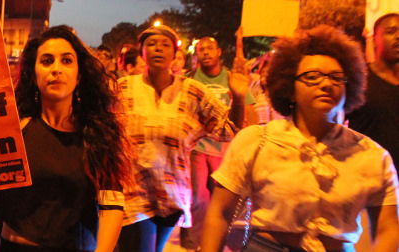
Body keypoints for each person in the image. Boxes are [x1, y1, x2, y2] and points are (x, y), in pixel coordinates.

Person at [201, 25, 399, 252]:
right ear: (289, 87)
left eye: (336, 78)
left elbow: (389, 229)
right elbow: (220, 212)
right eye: (312, 76)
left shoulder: (372, 155)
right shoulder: (256, 141)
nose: (326, 84)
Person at [0, 25, 134, 252]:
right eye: (47, 61)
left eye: (66, 61)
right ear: (32, 72)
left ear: (79, 75)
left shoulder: (98, 134)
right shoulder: (14, 127)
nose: (56, 69)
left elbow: (112, 204)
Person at [116, 24, 248, 252]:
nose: (158, 49)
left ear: (175, 54)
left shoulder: (192, 91)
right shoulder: (122, 88)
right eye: (151, 44)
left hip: (172, 195)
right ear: (142, 51)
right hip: (132, 194)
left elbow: (230, 129)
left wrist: (238, 98)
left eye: (165, 45)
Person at [179, 35, 257, 252]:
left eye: (210, 48)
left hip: (226, 150)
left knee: (222, 201)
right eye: (201, 49)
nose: (205, 52)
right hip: (198, 149)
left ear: (219, 52)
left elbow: (249, 108)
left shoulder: (232, 79)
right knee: (197, 198)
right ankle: (197, 244)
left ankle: (218, 242)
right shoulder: (190, 79)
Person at [348, 13, 399, 170]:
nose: (398, 36)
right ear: (375, 39)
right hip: (368, 178)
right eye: (391, 31)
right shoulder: (360, 80)